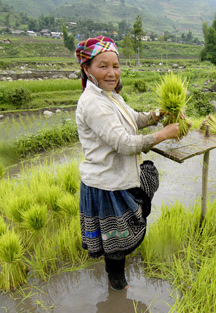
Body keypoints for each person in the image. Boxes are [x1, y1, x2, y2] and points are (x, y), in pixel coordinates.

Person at [75, 35, 179, 290]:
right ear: (87, 69)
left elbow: (133, 119)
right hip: (107, 183)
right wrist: (162, 135)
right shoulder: (94, 104)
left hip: (119, 176)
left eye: (116, 66)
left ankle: (117, 280)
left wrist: (157, 114)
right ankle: (118, 286)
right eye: (103, 66)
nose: (112, 73)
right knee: (115, 243)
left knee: (144, 187)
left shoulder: (110, 96)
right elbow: (123, 143)